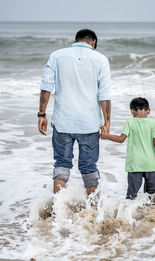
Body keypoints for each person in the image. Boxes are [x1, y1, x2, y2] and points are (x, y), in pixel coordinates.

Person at [38, 29, 111, 195]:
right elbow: (104, 95)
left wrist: (41, 115)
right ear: (93, 42)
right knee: (89, 167)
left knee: (62, 164)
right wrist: (107, 122)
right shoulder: (100, 59)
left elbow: (46, 87)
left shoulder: (56, 56)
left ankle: (59, 208)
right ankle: (92, 212)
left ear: (77, 40)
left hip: (63, 122)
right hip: (89, 123)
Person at [101, 97, 155, 203]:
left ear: (132, 111)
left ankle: (128, 216)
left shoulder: (130, 123)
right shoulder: (153, 123)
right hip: (149, 164)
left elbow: (121, 139)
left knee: (131, 196)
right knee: (151, 196)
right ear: (148, 110)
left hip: (134, 164)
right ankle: (152, 218)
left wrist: (106, 136)